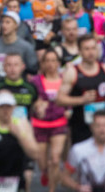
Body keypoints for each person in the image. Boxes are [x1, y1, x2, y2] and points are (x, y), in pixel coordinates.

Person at [57, 34, 105, 144]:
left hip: (103, 127)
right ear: (80, 51)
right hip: (80, 126)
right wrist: (81, 100)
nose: (91, 52)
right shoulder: (72, 72)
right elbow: (59, 99)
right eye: (86, 49)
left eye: (93, 48)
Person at [61, 110, 105, 192]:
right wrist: (78, 187)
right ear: (91, 127)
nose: (102, 129)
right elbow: (64, 178)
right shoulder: (78, 150)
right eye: (98, 126)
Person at [30, 50, 67, 192]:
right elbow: (31, 101)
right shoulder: (35, 81)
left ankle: (52, 189)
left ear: (58, 63)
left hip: (59, 122)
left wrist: (68, 109)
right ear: (43, 64)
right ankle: (46, 172)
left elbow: (70, 95)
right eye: (47, 61)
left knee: (55, 159)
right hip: (40, 124)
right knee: (43, 163)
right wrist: (37, 106)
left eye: (53, 60)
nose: (51, 64)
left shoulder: (64, 79)